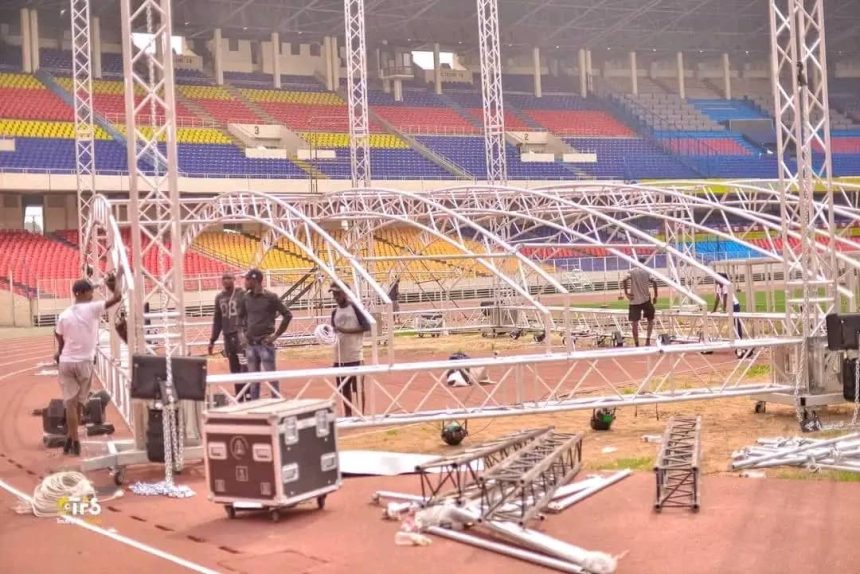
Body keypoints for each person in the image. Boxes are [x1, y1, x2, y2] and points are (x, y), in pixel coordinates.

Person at [54, 274, 121, 456]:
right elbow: (117, 299)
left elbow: (58, 335)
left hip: (66, 362)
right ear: (82, 292)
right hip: (84, 362)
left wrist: (60, 353)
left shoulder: (64, 314)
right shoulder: (92, 308)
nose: (92, 293)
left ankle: (71, 437)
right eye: (90, 290)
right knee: (79, 404)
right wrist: (115, 285)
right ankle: (75, 441)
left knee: (71, 404)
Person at [238, 268, 292, 400]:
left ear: (255, 280)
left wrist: (275, 335)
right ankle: (255, 407)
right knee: (254, 381)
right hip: (250, 345)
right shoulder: (245, 298)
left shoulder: (271, 297)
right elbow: (239, 319)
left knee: (271, 378)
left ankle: (275, 404)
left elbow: (287, 315)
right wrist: (242, 336)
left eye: (247, 279)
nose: (245, 282)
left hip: (265, 344)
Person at [330, 284, 371, 416]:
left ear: (345, 293)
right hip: (339, 357)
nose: (335, 297)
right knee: (343, 389)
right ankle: (348, 415)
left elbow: (367, 326)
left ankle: (361, 415)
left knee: (358, 388)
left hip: (355, 355)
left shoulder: (355, 308)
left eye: (338, 293)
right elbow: (334, 333)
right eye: (333, 294)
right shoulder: (334, 312)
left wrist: (345, 331)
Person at [208, 272, 246, 399]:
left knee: (244, 366)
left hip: (240, 336)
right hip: (228, 337)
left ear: (234, 279)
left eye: (229, 278)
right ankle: (240, 396)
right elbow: (217, 320)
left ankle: (249, 393)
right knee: (234, 368)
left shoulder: (242, 294)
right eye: (224, 278)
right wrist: (212, 340)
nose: (226, 280)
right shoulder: (219, 297)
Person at [623, 260, 658, 347]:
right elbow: (654, 282)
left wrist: (626, 293)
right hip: (646, 300)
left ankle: (637, 344)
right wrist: (655, 296)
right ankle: (648, 340)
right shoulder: (647, 271)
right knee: (650, 320)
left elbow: (624, 279)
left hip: (634, 301)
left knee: (635, 323)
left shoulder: (631, 271)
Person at [713, 272, 743, 339]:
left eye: (716, 278)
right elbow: (717, 299)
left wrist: (724, 309)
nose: (715, 279)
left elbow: (725, 298)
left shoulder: (725, 285)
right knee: (732, 323)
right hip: (729, 306)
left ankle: (739, 338)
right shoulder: (718, 286)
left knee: (736, 323)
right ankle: (735, 337)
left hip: (734, 305)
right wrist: (714, 310)